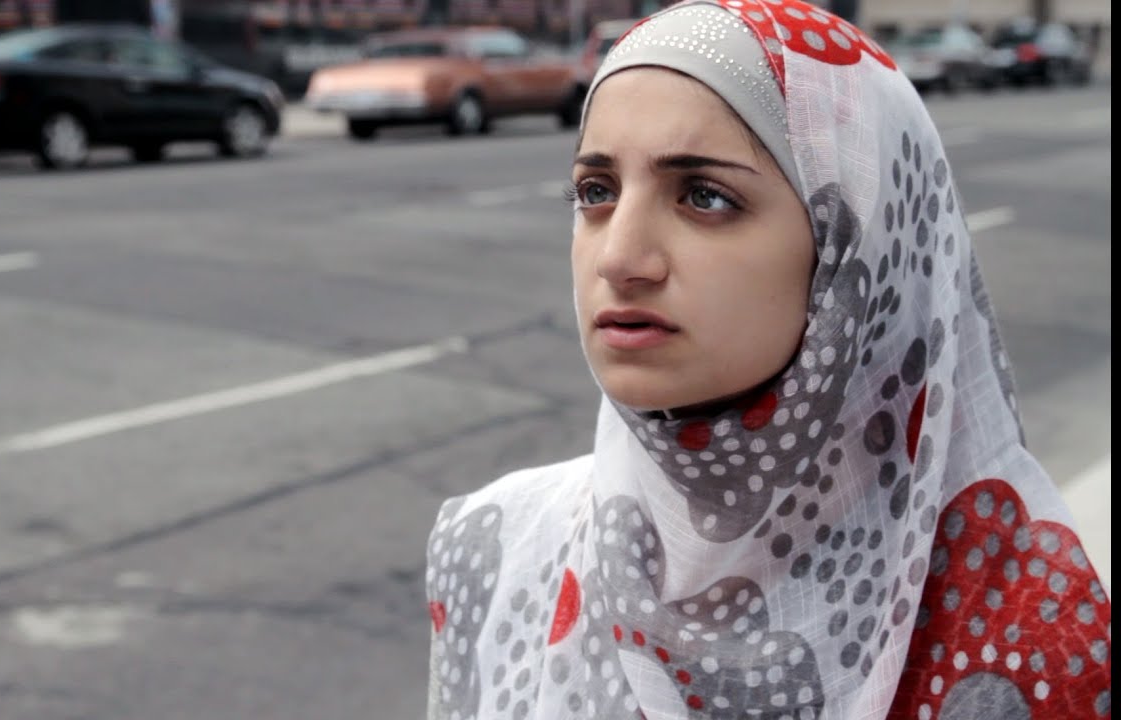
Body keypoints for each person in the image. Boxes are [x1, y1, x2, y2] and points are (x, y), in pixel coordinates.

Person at [423, 0, 1112, 718]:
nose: (619, 257)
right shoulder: (495, 548)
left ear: (853, 242)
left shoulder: (1032, 631)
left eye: (705, 197)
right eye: (596, 192)